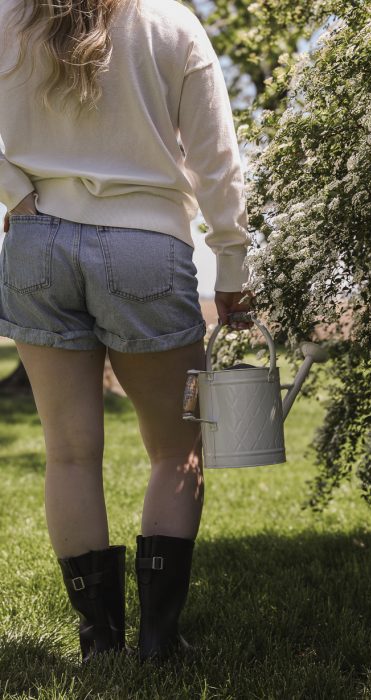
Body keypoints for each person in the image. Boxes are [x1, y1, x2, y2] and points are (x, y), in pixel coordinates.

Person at [0, 0, 251, 663]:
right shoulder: (171, 22)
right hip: (145, 247)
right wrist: (231, 260)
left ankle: (101, 645)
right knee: (176, 450)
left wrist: (14, 192)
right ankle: (159, 644)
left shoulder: (11, 16)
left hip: (35, 244)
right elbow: (216, 156)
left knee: (68, 453)